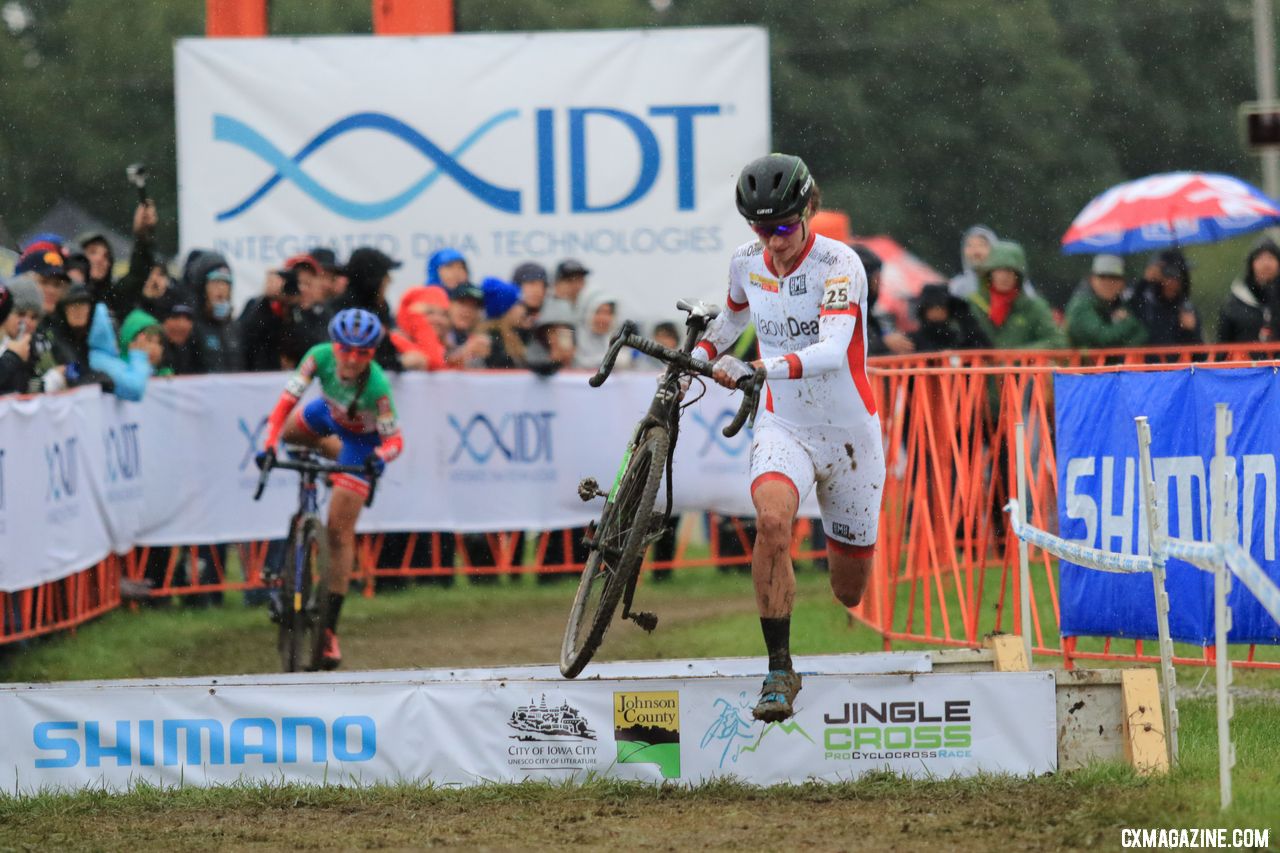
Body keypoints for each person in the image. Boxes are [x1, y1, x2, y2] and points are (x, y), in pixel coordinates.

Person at [693, 153, 886, 722]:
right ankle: (780, 669)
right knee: (773, 521)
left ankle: (842, 570)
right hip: (785, 425)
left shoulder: (839, 264)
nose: (772, 241)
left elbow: (830, 351)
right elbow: (729, 321)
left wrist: (759, 368)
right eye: (760, 228)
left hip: (850, 438)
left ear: (808, 210)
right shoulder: (745, 261)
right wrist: (699, 356)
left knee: (848, 591)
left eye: (782, 227)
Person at [258, 308, 404, 669]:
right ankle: (317, 479)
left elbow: (396, 440)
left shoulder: (378, 388)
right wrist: (268, 443)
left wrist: (380, 459)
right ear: (333, 346)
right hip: (326, 414)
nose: (352, 359)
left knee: (339, 531)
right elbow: (287, 401)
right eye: (345, 350)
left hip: (361, 442)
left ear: (372, 354)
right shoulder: (317, 357)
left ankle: (328, 632)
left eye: (363, 353)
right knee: (291, 430)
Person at [967, 241, 1064, 349]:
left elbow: (1056, 341)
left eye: (1009, 271)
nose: (1004, 277)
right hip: (979, 365)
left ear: (1018, 276)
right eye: (999, 270)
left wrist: (1018, 355)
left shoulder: (1034, 307)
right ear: (990, 273)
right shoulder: (972, 305)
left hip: (1022, 364)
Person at [1064, 255, 1148, 349]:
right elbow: (1103, 337)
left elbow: (1142, 336)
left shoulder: (1117, 304)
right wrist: (1129, 322)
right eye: (1102, 276)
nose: (1108, 282)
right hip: (1082, 363)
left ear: (1123, 283)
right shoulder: (1082, 305)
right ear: (1092, 280)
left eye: (1114, 277)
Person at [1133, 249, 1202, 347]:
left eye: (1178, 276)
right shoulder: (1146, 306)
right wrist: (1144, 281)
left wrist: (1190, 332)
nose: (1172, 282)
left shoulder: (1186, 310)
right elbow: (1132, 304)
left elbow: (1199, 354)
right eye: (1168, 274)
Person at [853, 244, 913, 356]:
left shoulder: (867, 314)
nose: (880, 284)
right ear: (864, 280)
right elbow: (845, 350)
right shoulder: (847, 314)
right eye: (876, 279)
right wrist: (884, 344)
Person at [1218, 239, 1280, 344]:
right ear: (1251, 265)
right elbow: (1222, 345)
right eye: (1260, 258)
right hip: (1245, 359)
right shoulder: (1235, 302)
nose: (1266, 264)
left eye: (1271, 258)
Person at [909, 283, 991, 353]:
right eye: (932, 306)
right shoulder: (915, 338)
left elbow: (983, 346)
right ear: (924, 310)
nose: (938, 311)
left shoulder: (961, 333)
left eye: (941, 306)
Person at [0, 275, 43, 395]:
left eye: (34, 317)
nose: (27, 322)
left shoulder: (36, 349)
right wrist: (12, 357)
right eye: (21, 314)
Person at [443, 282, 492, 368]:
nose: (467, 310)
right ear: (450, 304)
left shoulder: (480, 337)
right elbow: (433, 362)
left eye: (473, 306)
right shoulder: (436, 331)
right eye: (462, 303)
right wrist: (464, 352)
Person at [947, 225, 998, 299]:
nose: (975, 251)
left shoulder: (1005, 284)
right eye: (970, 245)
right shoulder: (957, 288)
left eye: (981, 245)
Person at [573, 291, 620, 369]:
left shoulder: (616, 339)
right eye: (599, 312)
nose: (603, 318)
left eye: (608, 313)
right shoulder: (575, 337)